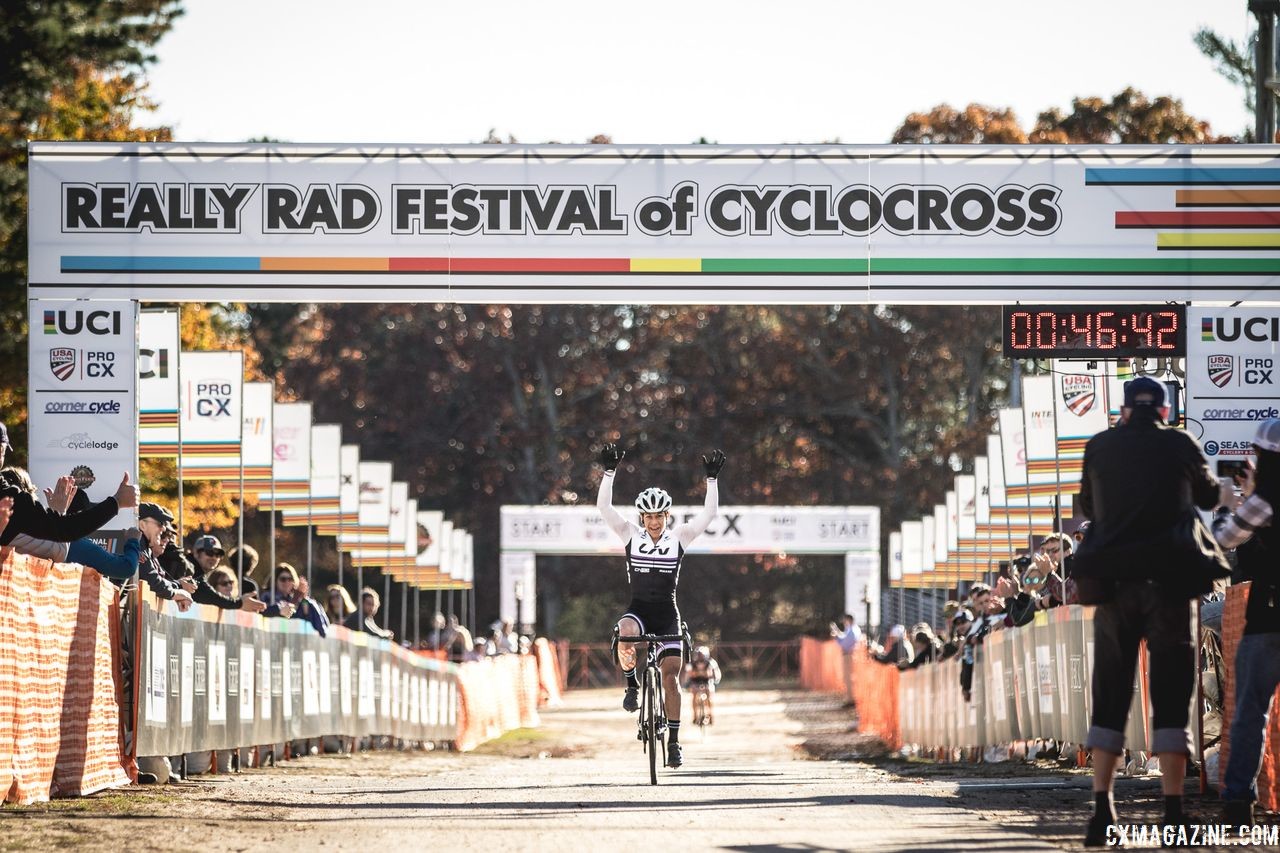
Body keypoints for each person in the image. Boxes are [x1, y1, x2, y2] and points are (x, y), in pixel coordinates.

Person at [1071, 377, 1223, 846]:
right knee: (1173, 694)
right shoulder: (1180, 444)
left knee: (1111, 692)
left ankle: (1103, 811)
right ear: (1164, 410)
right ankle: (1174, 814)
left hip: (1114, 586)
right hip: (1171, 587)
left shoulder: (1099, 446)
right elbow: (1209, 498)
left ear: (1122, 410)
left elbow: (1087, 505)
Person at [597, 442, 725, 769]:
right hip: (639, 610)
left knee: (671, 679)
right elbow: (604, 508)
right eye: (649, 516)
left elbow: (709, 515)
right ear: (642, 516)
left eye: (659, 516)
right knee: (624, 632)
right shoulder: (629, 534)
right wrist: (608, 473)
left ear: (667, 516)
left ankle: (674, 741)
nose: (654, 522)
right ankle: (631, 686)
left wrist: (711, 481)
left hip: (668, 614)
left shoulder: (679, 537)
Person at [1212, 418, 1280, 826]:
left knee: (1252, 711)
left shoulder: (1267, 497)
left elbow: (1222, 538)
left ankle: (1239, 801)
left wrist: (1225, 503)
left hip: (1269, 617)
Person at [262, 563, 326, 635]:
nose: (287, 582)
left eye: (290, 579)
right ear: (275, 580)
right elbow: (284, 615)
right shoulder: (267, 597)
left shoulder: (298, 599)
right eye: (283, 579)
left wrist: (303, 602)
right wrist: (296, 598)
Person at [682, 645, 722, 725]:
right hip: (695, 682)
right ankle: (695, 716)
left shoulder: (711, 662)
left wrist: (715, 680)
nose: (700, 658)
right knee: (694, 693)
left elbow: (716, 674)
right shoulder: (691, 663)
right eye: (699, 656)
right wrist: (686, 684)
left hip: (707, 681)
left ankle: (711, 716)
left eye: (702, 656)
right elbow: (687, 675)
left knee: (709, 694)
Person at [829, 613, 862, 707]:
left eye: (845, 620)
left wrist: (836, 637)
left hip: (849, 656)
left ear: (849, 620)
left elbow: (845, 644)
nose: (844, 622)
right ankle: (849, 698)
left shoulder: (852, 630)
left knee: (849, 678)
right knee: (847, 678)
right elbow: (844, 638)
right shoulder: (851, 629)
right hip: (849, 655)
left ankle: (850, 699)